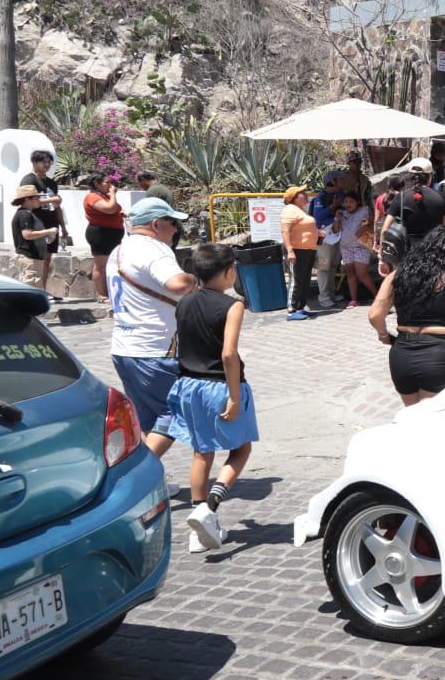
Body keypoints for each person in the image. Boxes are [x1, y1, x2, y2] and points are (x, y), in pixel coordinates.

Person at [166, 244, 258, 554]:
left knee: (201, 453)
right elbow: (229, 354)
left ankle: (198, 526)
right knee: (241, 448)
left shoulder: (184, 301)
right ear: (229, 271)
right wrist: (235, 397)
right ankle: (211, 507)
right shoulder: (233, 306)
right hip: (219, 385)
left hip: (189, 384)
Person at [106, 197, 196, 497]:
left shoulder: (119, 251)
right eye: (172, 223)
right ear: (157, 224)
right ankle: (135, 478)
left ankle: (152, 482)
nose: (176, 230)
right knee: (176, 413)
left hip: (125, 346)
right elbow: (178, 284)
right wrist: (194, 279)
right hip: (155, 347)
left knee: (148, 419)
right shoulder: (153, 249)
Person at [369, 225, 445, 406]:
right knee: (435, 417)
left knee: (412, 416)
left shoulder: (397, 275)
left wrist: (383, 335)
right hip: (439, 355)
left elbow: (375, 315)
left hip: (402, 355)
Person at [19, 150, 67, 300]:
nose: (47, 165)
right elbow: (27, 201)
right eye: (43, 162)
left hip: (51, 224)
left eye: (49, 162)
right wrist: (52, 200)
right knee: (36, 260)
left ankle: (43, 291)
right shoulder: (29, 180)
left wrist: (63, 227)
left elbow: (57, 207)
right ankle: (33, 293)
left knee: (47, 260)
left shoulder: (52, 183)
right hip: (36, 224)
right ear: (34, 162)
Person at [380, 158, 445, 254]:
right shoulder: (442, 198)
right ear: (430, 177)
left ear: (410, 177)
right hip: (435, 254)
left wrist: (382, 256)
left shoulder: (401, 197)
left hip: (408, 254)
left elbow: (385, 230)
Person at [82, 173, 125, 301]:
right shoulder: (92, 197)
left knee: (112, 264)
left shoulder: (105, 196)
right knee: (101, 265)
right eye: (107, 183)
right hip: (101, 234)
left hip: (113, 234)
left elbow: (116, 208)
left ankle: (112, 292)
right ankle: (102, 294)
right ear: (97, 184)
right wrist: (113, 194)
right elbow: (110, 208)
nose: (111, 186)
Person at [279, 186, 319, 321]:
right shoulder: (289, 210)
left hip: (307, 250)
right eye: (302, 193)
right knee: (296, 279)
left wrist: (317, 233)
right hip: (296, 250)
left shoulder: (300, 210)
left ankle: (300, 308)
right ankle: (291, 310)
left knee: (305, 280)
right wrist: (290, 250)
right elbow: (285, 232)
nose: (305, 194)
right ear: (294, 198)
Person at [9, 184, 57, 289]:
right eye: (36, 198)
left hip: (34, 258)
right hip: (29, 258)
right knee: (30, 289)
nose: (39, 200)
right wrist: (48, 231)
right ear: (27, 199)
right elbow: (27, 235)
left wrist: (47, 237)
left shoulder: (28, 214)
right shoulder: (24, 214)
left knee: (34, 289)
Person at [335, 191, 377, 306]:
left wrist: (366, 226)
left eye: (351, 201)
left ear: (357, 202)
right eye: (346, 202)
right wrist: (337, 219)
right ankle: (354, 300)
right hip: (345, 247)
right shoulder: (342, 214)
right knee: (350, 273)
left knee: (361, 273)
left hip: (360, 247)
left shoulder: (364, 211)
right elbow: (335, 230)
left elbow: (373, 220)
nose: (348, 204)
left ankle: (377, 296)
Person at [311, 174, 344, 309]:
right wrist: (332, 207)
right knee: (323, 267)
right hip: (324, 237)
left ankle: (331, 293)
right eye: (340, 179)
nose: (343, 182)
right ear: (333, 181)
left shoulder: (340, 195)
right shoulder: (320, 197)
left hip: (337, 235)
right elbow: (318, 216)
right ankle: (323, 297)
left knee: (333, 266)